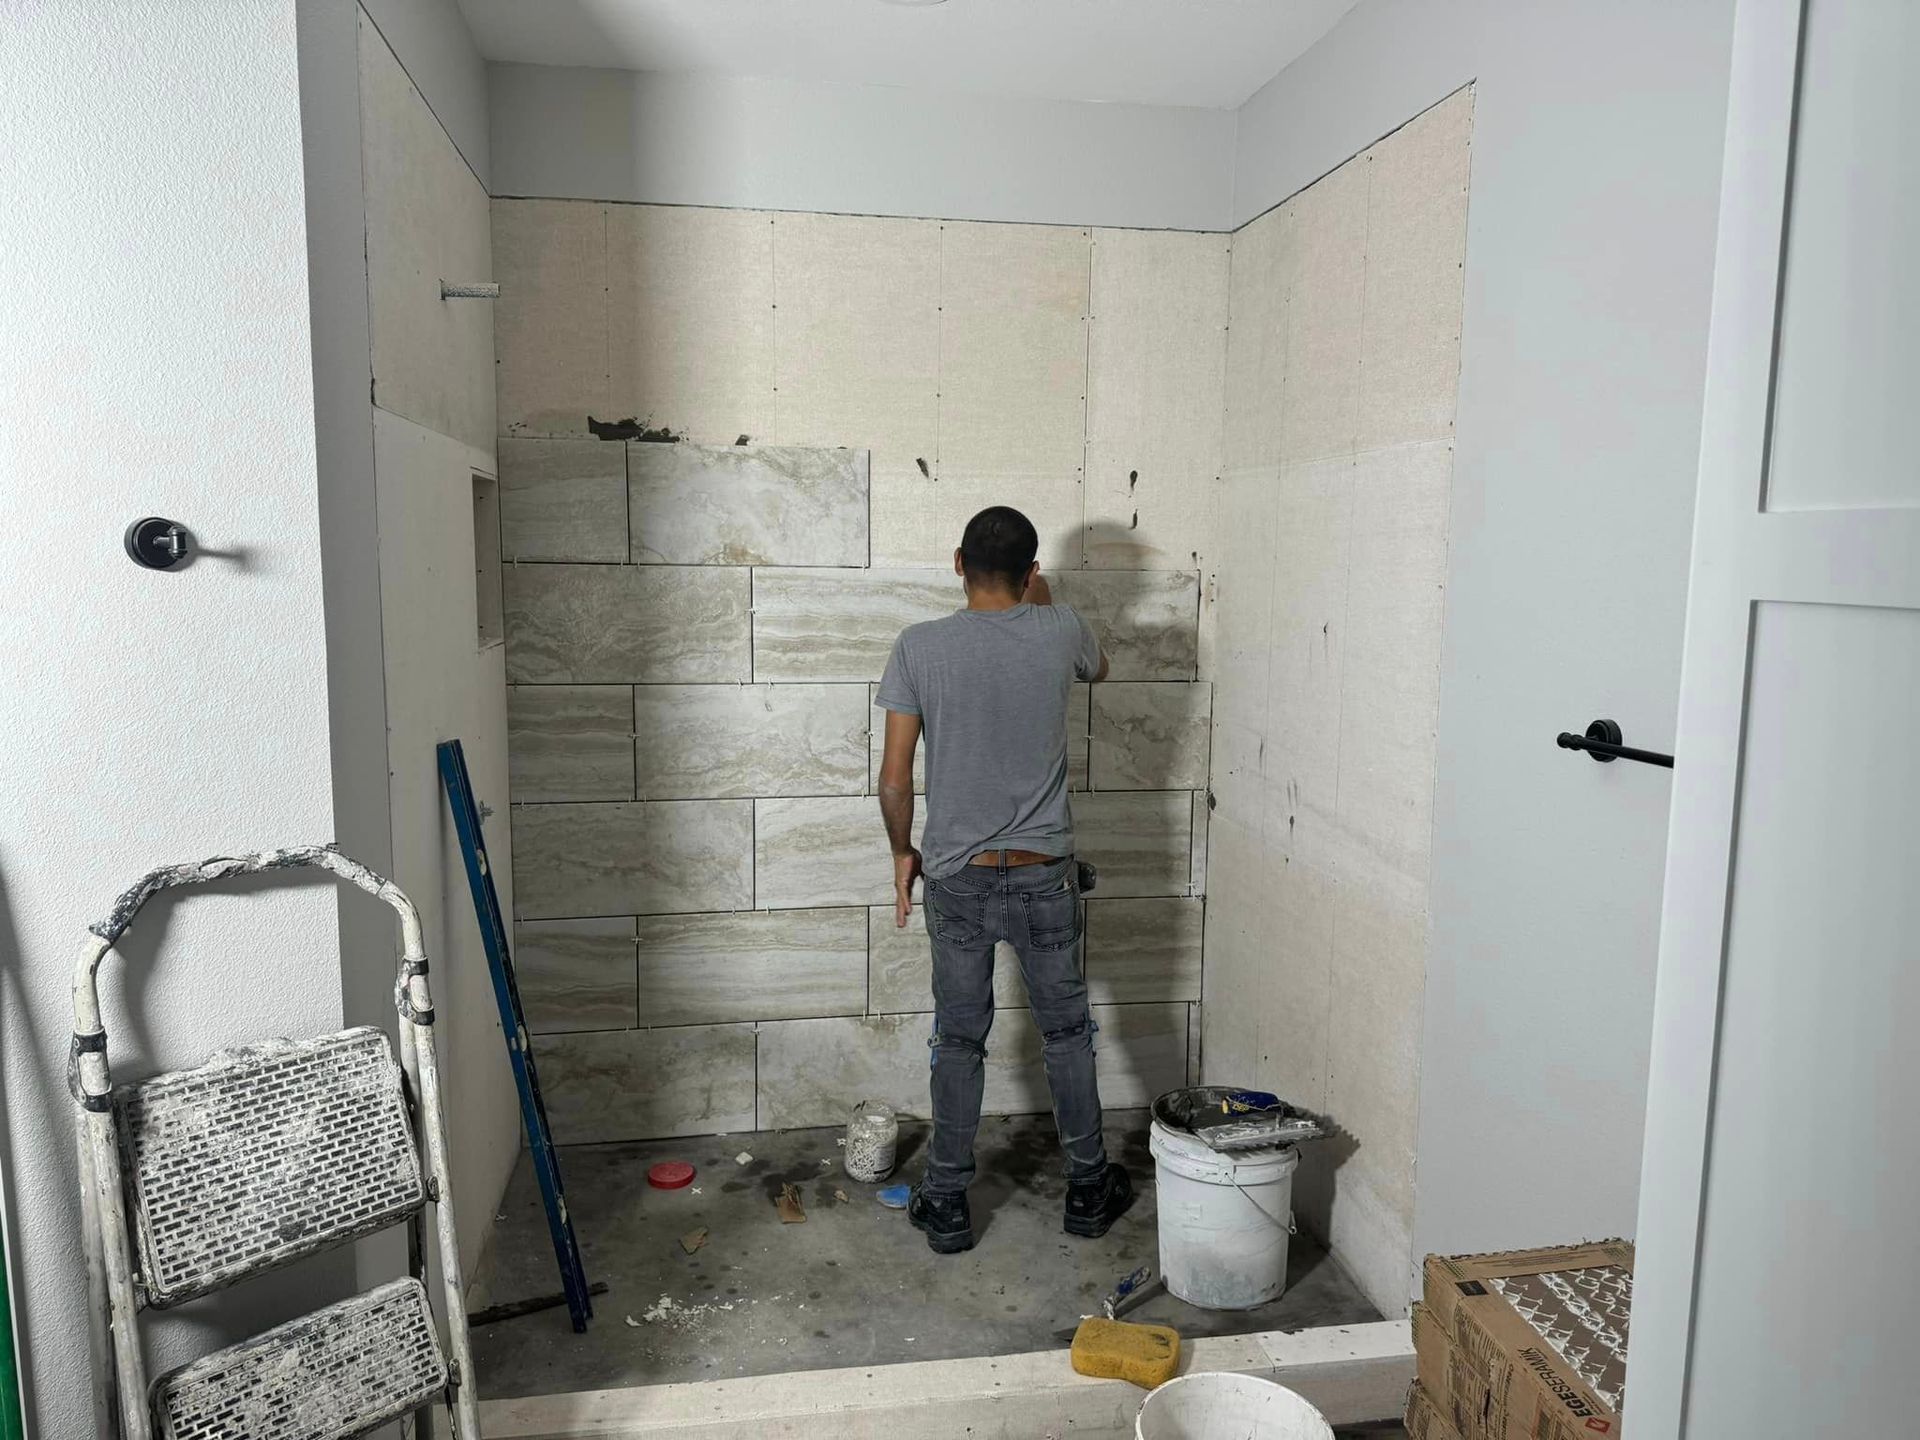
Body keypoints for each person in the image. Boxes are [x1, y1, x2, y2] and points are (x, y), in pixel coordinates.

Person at [874, 506, 1134, 1254]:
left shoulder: (919, 646)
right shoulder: (1061, 630)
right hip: (1046, 876)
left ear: (958, 563)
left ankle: (948, 1200)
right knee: (1068, 1032)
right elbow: (1100, 667)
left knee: (959, 1038)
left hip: (957, 877)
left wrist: (903, 852)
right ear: (1031, 572)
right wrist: (1040, 602)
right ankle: (1087, 1189)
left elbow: (894, 781)